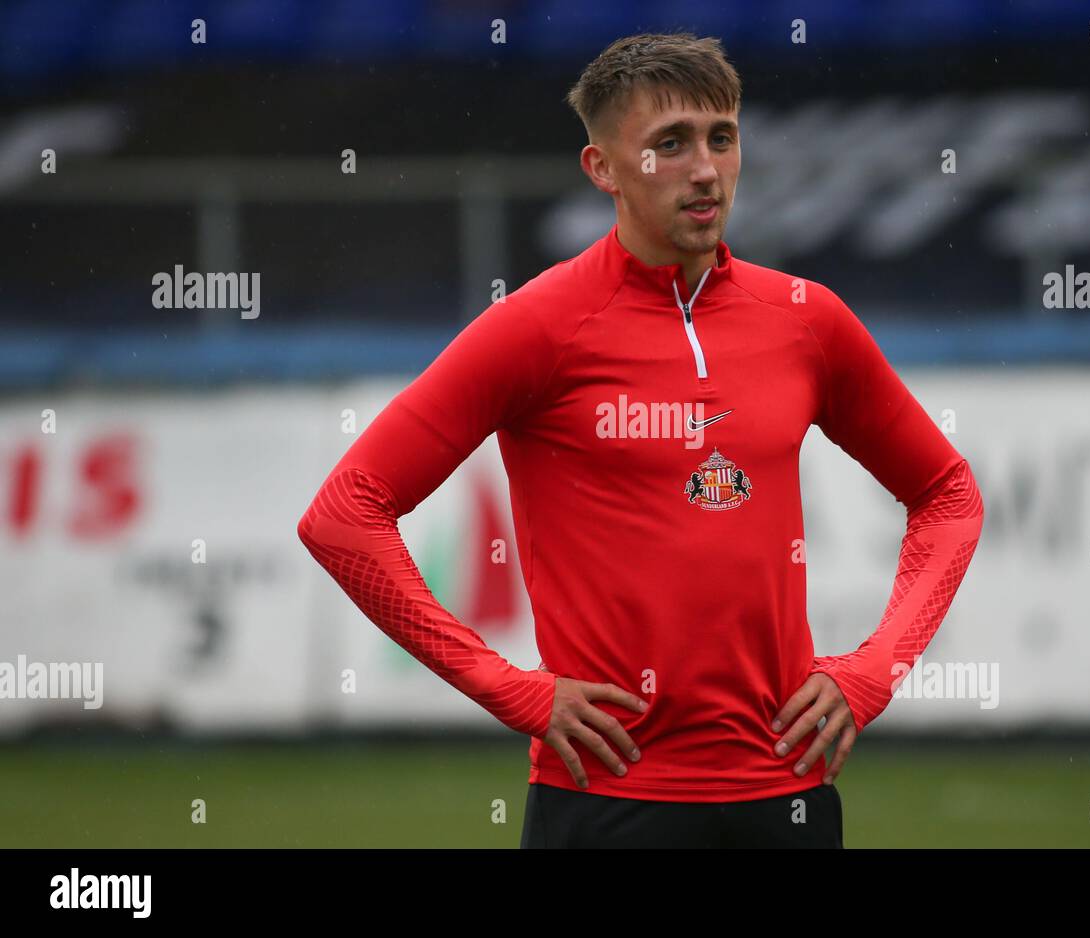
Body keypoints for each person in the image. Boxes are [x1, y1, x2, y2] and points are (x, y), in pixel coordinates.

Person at [297, 32, 984, 849]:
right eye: (670, 144)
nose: (705, 169)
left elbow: (949, 495)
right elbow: (344, 515)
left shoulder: (807, 321)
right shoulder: (538, 327)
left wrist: (874, 672)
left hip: (788, 797)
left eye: (721, 139)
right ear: (602, 169)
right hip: (606, 804)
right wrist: (511, 689)